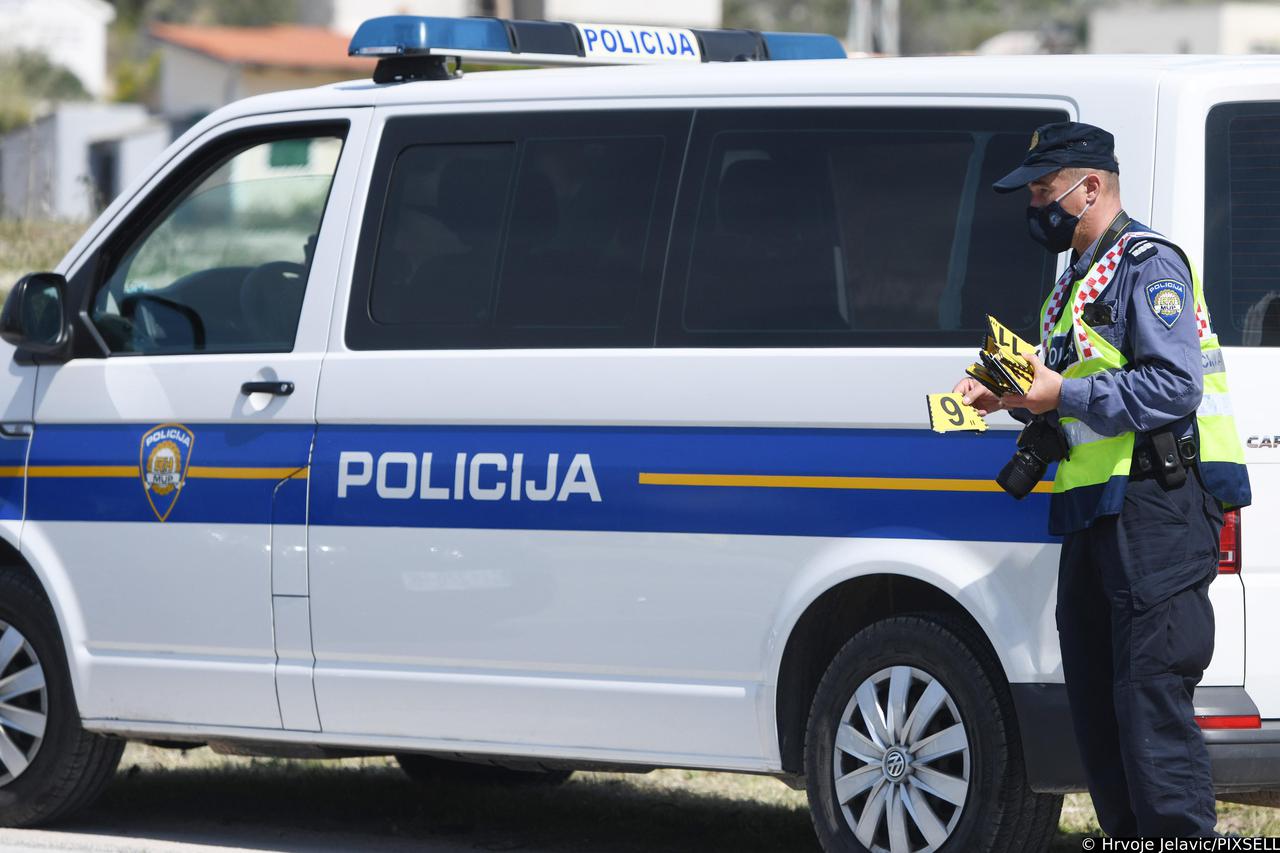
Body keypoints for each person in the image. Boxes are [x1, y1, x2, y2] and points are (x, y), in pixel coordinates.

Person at [953, 121, 1252, 838]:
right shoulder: (1071, 285)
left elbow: (1174, 387)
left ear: (1091, 187)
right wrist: (1009, 390)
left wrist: (1061, 394)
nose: (1035, 205)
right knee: (1100, 716)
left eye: (1043, 190)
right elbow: (1076, 382)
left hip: (1159, 509)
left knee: (1150, 712)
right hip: (1096, 513)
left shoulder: (1149, 265)